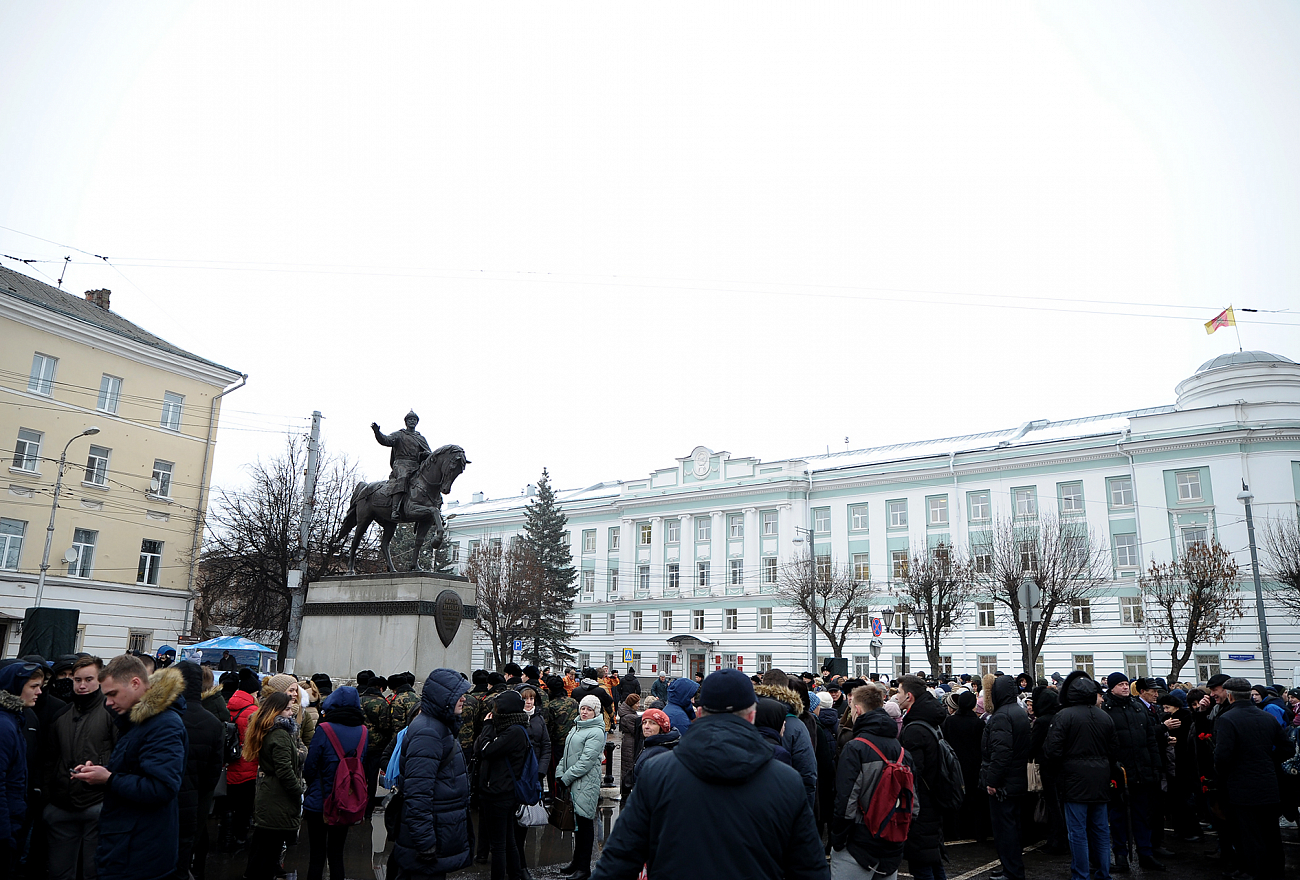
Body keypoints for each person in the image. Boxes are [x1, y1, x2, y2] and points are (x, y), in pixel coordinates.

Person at [593, 669, 827, 880]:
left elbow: (618, 861)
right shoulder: (786, 781)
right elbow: (810, 869)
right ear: (752, 716)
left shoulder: (658, 774)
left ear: (700, 713)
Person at [72, 654, 186, 880]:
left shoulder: (163, 724)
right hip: (128, 845)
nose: (108, 702)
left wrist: (109, 778)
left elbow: (161, 788)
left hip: (140, 852)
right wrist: (100, 774)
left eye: (112, 694)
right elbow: (134, 771)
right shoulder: (138, 721)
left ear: (135, 683)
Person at [389, 669, 472, 879]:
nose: (464, 698)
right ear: (443, 698)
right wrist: (425, 841)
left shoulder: (438, 727)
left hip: (440, 827)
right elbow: (418, 793)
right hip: (432, 833)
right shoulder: (428, 733)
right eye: (458, 694)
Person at [40, 656, 116, 880]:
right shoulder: (61, 715)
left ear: (100, 680)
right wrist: (48, 797)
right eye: (77, 680)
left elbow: (121, 755)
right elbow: (49, 759)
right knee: (59, 871)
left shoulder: (112, 713)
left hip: (98, 802)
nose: (82, 685)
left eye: (88, 679)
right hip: (62, 804)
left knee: (94, 871)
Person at [829, 682, 914, 879]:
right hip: (892, 839)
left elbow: (846, 801)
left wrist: (838, 839)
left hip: (858, 842)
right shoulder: (902, 751)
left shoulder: (855, 748)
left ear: (857, 710)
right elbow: (913, 802)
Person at [1044, 671, 1118, 880]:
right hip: (1100, 780)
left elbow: (1052, 751)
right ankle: (1103, 873)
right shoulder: (1104, 717)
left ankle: (1081, 875)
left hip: (1074, 781)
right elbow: (1114, 750)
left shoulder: (1064, 716)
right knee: (1101, 830)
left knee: (1077, 832)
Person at [1214, 677, 1287, 880]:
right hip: (1268, 783)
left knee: (1248, 832)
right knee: (1271, 831)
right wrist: (1268, 760)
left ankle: (1253, 871)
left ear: (1230, 696)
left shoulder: (1228, 719)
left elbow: (1222, 757)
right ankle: (1275, 870)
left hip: (1242, 785)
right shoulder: (1267, 717)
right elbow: (1287, 748)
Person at [303, 686, 367, 880]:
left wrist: (312, 783)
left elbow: (310, 765)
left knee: (316, 856)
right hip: (345, 801)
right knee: (337, 854)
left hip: (320, 800)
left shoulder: (324, 729)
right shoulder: (363, 731)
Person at [1101, 672, 1163, 872]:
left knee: (1142, 815)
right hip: (1119, 772)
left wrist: (1155, 766)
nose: (1125, 687)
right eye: (1120, 684)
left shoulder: (1137, 707)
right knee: (1118, 816)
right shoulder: (1105, 709)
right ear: (1112, 687)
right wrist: (1112, 768)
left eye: (1126, 683)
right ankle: (1120, 855)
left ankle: (1145, 853)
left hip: (1141, 770)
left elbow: (1150, 739)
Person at [243, 691, 303, 880]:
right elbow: (284, 770)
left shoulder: (267, 729)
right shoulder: (280, 734)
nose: (291, 713)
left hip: (269, 794)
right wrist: (298, 792)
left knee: (262, 846)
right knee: (269, 850)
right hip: (278, 797)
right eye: (287, 709)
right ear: (276, 711)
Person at [172, 661, 223, 880]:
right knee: (183, 859)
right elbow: (213, 774)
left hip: (163, 799)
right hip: (194, 802)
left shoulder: (166, 717)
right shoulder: (213, 723)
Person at [474, 689, 533, 880]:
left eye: (497, 708)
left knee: (499, 845)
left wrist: (487, 726)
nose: (494, 712)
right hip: (502, 791)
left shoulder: (514, 731)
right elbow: (479, 748)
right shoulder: (509, 728)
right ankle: (515, 875)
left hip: (499, 793)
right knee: (508, 841)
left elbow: (486, 749)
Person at [897, 675, 950, 880]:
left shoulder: (914, 728)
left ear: (909, 696)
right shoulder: (929, 720)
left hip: (921, 802)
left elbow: (913, 772)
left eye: (899, 692)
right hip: (934, 796)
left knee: (921, 861)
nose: (896, 697)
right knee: (931, 857)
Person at [979, 674, 1030, 880]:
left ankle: (1012, 870)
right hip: (1016, 779)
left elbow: (1001, 753)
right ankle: (1011, 867)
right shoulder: (1018, 711)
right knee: (1013, 826)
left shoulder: (1002, 716)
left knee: (1005, 829)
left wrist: (992, 781)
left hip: (1004, 783)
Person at [556, 694, 606, 880]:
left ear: (596, 712)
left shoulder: (596, 732)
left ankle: (584, 868)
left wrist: (566, 777)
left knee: (585, 825)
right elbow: (566, 754)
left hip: (586, 783)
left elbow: (586, 761)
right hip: (573, 781)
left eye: (589, 709)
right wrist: (559, 772)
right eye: (583, 708)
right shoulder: (577, 726)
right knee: (577, 825)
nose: (585, 712)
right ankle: (576, 863)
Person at [0, 659, 41, 873]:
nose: (39, 692)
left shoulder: (14, 721)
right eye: (33, 686)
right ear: (15, 688)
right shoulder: (4, 726)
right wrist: (4, 835)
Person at [757, 671, 817, 812]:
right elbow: (807, 773)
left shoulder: (747, 715)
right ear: (786, 687)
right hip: (785, 804)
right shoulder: (797, 725)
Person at [941, 688, 988, 844]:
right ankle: (975, 830)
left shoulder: (950, 721)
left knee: (956, 796)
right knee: (974, 798)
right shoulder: (978, 723)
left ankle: (956, 830)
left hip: (954, 764)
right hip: (974, 765)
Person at [222, 667, 260, 850]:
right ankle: (240, 839)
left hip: (229, 764)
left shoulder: (227, 706)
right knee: (244, 807)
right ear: (253, 692)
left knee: (228, 805)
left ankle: (225, 839)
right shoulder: (254, 712)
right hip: (248, 766)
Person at [516, 682, 552, 873]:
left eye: (531, 698)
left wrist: (541, 771)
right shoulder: (514, 717)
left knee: (527, 816)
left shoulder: (538, 718)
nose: (529, 702)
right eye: (525, 698)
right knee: (516, 819)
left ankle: (520, 862)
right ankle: (518, 864)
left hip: (534, 774)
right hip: (518, 774)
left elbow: (546, 745)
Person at [1027, 685, 1066, 855]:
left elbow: (1033, 746)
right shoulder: (1060, 717)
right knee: (1060, 805)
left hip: (1047, 768)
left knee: (1052, 805)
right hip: (1062, 767)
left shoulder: (1041, 721)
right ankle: (1060, 839)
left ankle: (1055, 841)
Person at [372, 410, 433, 519]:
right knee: (403, 477)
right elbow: (386, 440)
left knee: (429, 481)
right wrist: (377, 432)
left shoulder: (421, 438)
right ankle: (395, 509)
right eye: (410, 419)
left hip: (416, 465)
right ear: (406, 422)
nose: (412, 421)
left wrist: (425, 455)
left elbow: (428, 454)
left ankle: (434, 508)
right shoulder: (399, 435)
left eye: (414, 419)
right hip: (401, 464)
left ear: (417, 422)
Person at [358, 670, 393, 818]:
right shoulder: (382, 703)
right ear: (380, 688)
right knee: (372, 778)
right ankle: (368, 807)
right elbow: (386, 726)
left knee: (358, 775)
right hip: (376, 746)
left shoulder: (359, 699)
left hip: (359, 744)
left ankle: (357, 804)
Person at [631, 708, 679, 788]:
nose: (646, 726)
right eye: (644, 722)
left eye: (652, 723)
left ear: (662, 727)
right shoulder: (650, 745)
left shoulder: (658, 752)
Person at [616, 693, 642, 797]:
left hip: (628, 742)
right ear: (631, 704)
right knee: (628, 767)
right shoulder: (629, 717)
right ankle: (626, 793)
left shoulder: (627, 713)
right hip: (630, 744)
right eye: (637, 703)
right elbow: (637, 732)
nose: (639, 705)